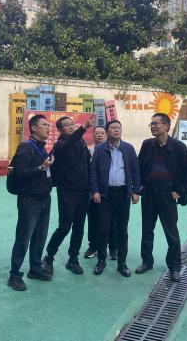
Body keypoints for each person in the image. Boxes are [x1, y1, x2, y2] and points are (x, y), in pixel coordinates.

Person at [136, 113, 187, 282]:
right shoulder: (147, 144)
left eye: (156, 124)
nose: (153, 126)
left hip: (168, 195)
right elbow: (139, 167)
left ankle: (175, 266)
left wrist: (180, 191)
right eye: (151, 124)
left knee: (171, 232)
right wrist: (139, 186)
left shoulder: (179, 147)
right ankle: (147, 261)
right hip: (149, 193)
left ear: (166, 126)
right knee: (147, 230)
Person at [7, 114, 55, 291]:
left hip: (44, 199)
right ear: (34, 128)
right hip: (29, 200)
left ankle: (35, 268)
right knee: (24, 237)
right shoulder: (26, 147)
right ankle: (14, 275)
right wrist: (42, 167)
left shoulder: (42, 148)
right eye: (44, 125)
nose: (48, 128)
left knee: (40, 236)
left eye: (49, 125)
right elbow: (21, 173)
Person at [43, 115, 95, 275]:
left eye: (72, 124)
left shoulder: (81, 142)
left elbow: (88, 164)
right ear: (59, 130)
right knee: (64, 227)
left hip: (83, 192)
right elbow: (70, 142)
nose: (71, 126)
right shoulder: (60, 145)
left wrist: (91, 187)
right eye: (67, 125)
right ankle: (49, 257)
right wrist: (84, 127)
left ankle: (73, 259)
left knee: (79, 227)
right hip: (67, 192)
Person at [89, 120, 141, 277]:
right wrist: (95, 190)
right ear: (107, 132)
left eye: (119, 128)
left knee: (122, 229)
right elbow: (93, 171)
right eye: (113, 128)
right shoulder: (100, 149)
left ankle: (122, 263)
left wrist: (136, 191)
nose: (116, 130)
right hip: (105, 195)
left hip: (123, 194)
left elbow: (135, 170)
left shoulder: (128, 148)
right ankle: (101, 261)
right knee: (102, 228)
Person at [84, 126, 107, 259]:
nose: (99, 135)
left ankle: (112, 247)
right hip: (92, 192)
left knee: (111, 221)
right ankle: (92, 246)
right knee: (93, 219)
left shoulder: (112, 150)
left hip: (108, 192)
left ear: (106, 135)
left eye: (102, 133)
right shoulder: (88, 151)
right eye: (97, 133)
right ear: (93, 136)